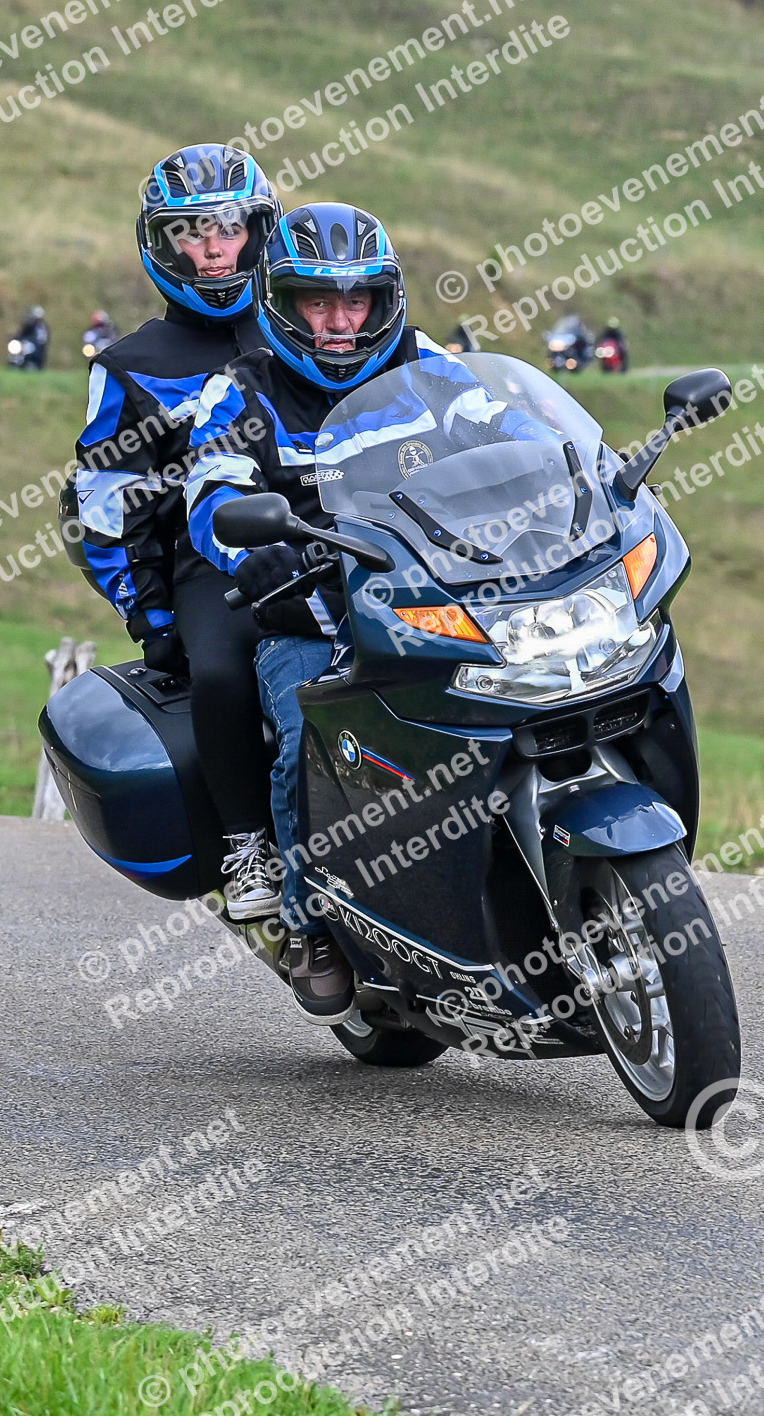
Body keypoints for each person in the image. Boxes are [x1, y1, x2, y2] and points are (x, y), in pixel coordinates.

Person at [185, 203, 546, 1022]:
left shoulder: (429, 365)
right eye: (319, 302)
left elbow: (509, 427)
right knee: (308, 741)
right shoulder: (241, 390)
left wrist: (574, 466)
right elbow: (211, 487)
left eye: (357, 301)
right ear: (281, 303)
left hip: (448, 598)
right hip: (315, 615)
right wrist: (250, 549)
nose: (341, 323)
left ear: (386, 301)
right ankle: (307, 921)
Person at [73, 144, 282, 921]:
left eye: (229, 228)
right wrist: (151, 618)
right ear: (160, 245)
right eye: (192, 232)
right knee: (222, 672)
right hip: (207, 566)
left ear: (260, 233)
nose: (214, 248)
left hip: (331, 541)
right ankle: (247, 845)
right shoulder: (129, 365)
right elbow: (104, 502)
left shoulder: (308, 330)